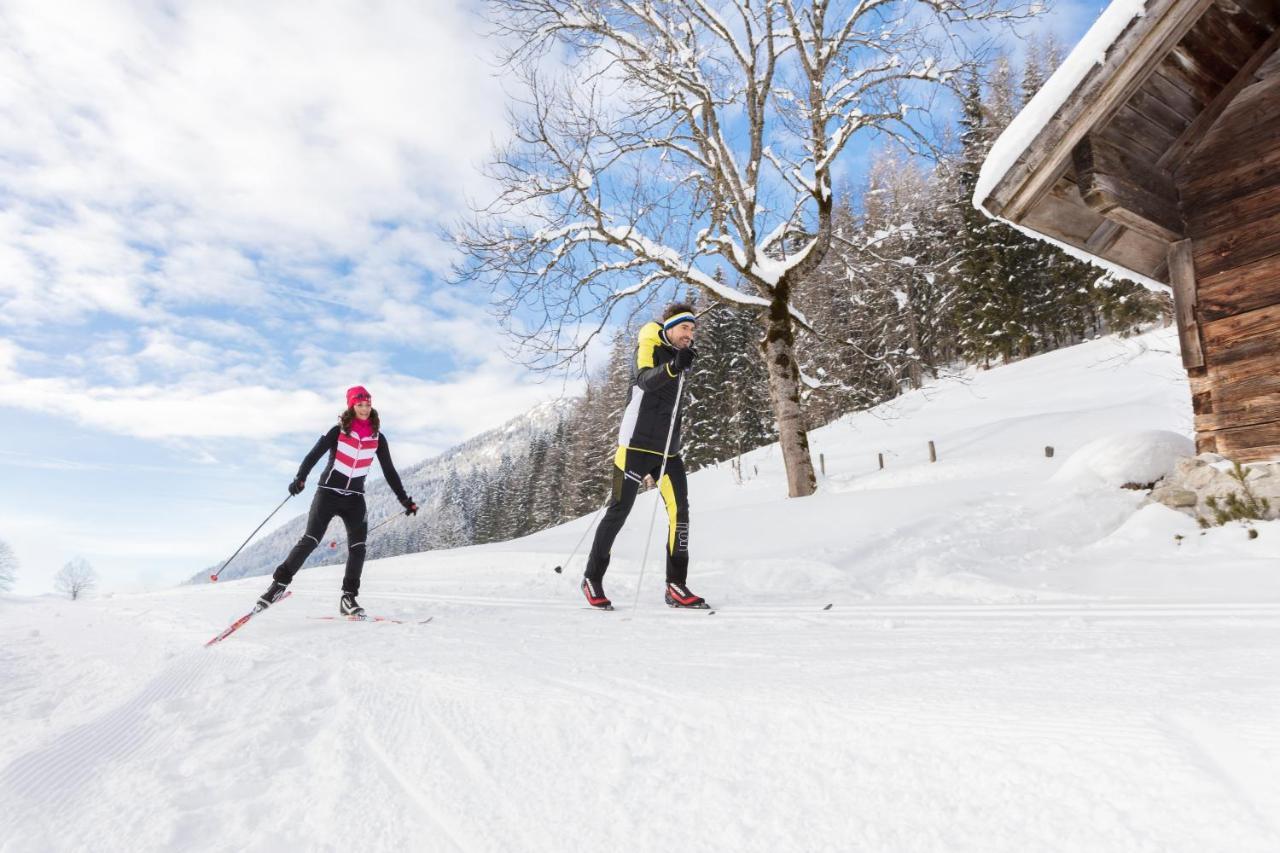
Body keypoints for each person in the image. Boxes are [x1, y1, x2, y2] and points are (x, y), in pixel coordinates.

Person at [581, 303, 709, 610]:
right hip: (635, 447)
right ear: (669, 328)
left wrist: (681, 364)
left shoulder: (684, 357)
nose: (689, 335)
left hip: (668, 450)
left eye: (692, 329)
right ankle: (592, 578)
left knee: (681, 514)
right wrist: (674, 366)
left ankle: (675, 585)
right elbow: (644, 380)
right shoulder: (650, 345)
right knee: (619, 511)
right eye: (684, 328)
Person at [256, 386, 417, 616]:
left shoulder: (377, 438)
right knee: (310, 539)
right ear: (352, 405)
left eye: (367, 404)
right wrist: (300, 478)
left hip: (355, 498)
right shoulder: (338, 431)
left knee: (358, 547)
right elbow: (313, 455)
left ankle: (348, 598)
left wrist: (404, 499)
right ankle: (277, 586)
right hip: (328, 493)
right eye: (359, 404)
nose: (364, 408)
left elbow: (389, 471)